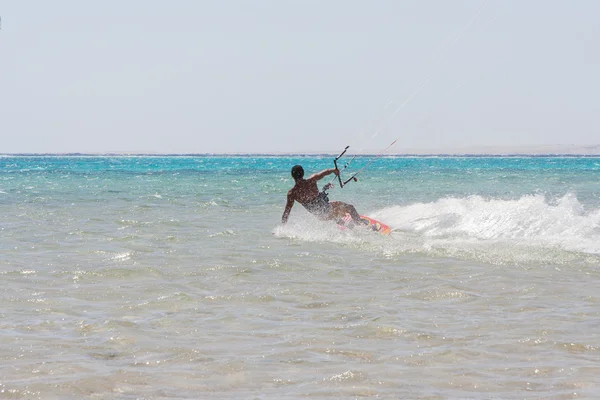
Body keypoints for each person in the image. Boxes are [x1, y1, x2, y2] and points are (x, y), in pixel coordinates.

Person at [281, 165, 367, 225]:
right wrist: (334, 170)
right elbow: (325, 172)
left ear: (292, 176)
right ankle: (360, 225)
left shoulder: (292, 193)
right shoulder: (311, 180)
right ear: (303, 173)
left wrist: (282, 228)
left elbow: (286, 212)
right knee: (350, 208)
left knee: (333, 213)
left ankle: (344, 225)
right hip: (328, 209)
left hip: (320, 216)